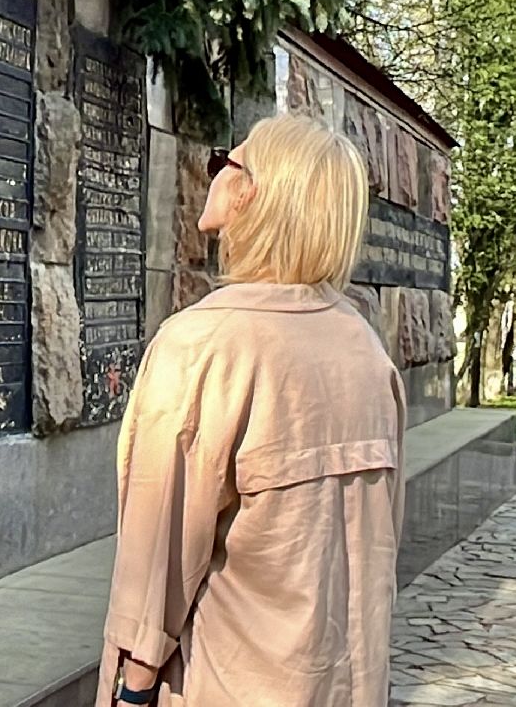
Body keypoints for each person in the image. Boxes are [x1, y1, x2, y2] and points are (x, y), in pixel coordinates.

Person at [99, 113, 406, 706]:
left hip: (231, 684)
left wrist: (131, 693)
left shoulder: (204, 345)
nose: (213, 173)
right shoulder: (363, 348)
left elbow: (157, 560)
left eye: (225, 162)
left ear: (252, 194)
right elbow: (382, 537)